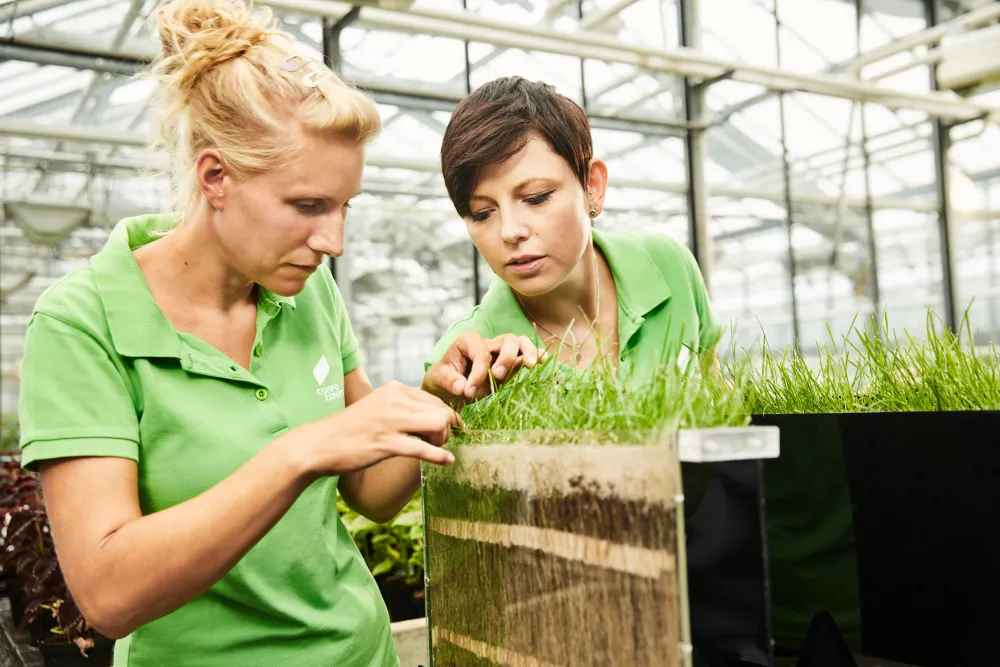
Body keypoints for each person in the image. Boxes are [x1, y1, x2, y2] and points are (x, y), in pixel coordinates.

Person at [15, 3, 537, 666]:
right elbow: (109, 593)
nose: (334, 241)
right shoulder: (82, 322)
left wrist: (440, 398)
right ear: (215, 177)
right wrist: (300, 451)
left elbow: (371, 493)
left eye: (343, 205)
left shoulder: (306, 288)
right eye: (307, 205)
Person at [425, 76, 722, 378]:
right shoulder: (461, 364)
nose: (510, 231)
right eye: (482, 213)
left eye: (536, 197)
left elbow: (717, 391)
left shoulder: (667, 265)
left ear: (592, 186)